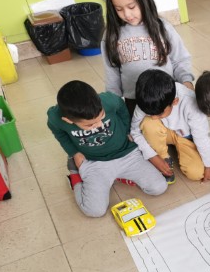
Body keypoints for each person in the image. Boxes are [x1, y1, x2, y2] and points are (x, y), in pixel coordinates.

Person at [47, 80, 167, 217]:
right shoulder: (55, 117)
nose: (99, 125)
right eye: (90, 125)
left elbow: (121, 107)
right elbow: (59, 133)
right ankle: (75, 175)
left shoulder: (108, 100)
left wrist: (127, 130)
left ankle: (119, 176)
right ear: (68, 120)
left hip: (127, 153)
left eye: (102, 116)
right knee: (94, 211)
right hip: (94, 162)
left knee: (159, 187)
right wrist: (74, 153)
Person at [103, 0, 195, 116]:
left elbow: (180, 59)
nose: (127, 14)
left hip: (166, 98)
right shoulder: (111, 35)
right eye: (119, 9)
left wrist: (186, 81)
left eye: (131, 6)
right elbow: (112, 74)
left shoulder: (163, 27)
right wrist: (114, 104)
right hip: (134, 103)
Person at [130, 69, 210, 182]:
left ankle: (174, 147)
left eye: (159, 114)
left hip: (185, 137)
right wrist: (153, 157)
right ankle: (164, 156)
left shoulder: (191, 102)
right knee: (148, 123)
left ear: (175, 101)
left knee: (197, 173)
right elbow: (134, 131)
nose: (154, 117)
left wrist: (209, 167)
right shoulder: (146, 101)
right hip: (162, 131)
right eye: (150, 113)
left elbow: (202, 137)